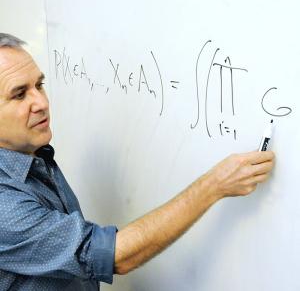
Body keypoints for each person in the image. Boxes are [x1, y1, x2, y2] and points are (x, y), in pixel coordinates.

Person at [0, 33, 275, 291]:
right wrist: (214, 185)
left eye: (39, 85)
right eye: (19, 94)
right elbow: (112, 255)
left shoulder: (33, 150)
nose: (41, 102)